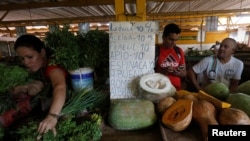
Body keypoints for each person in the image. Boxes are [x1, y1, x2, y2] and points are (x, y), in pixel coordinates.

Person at [0, 34, 70, 136]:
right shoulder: (41, 67)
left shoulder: (52, 67)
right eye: (22, 58)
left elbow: (60, 86)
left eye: (29, 57)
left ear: (42, 52)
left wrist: (52, 116)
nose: (26, 62)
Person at [155, 23, 187, 90]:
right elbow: (148, 74)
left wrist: (177, 73)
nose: (173, 43)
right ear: (163, 37)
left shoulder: (178, 51)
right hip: (160, 90)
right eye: (171, 39)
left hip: (176, 90)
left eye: (175, 40)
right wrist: (163, 72)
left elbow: (184, 74)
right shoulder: (155, 51)